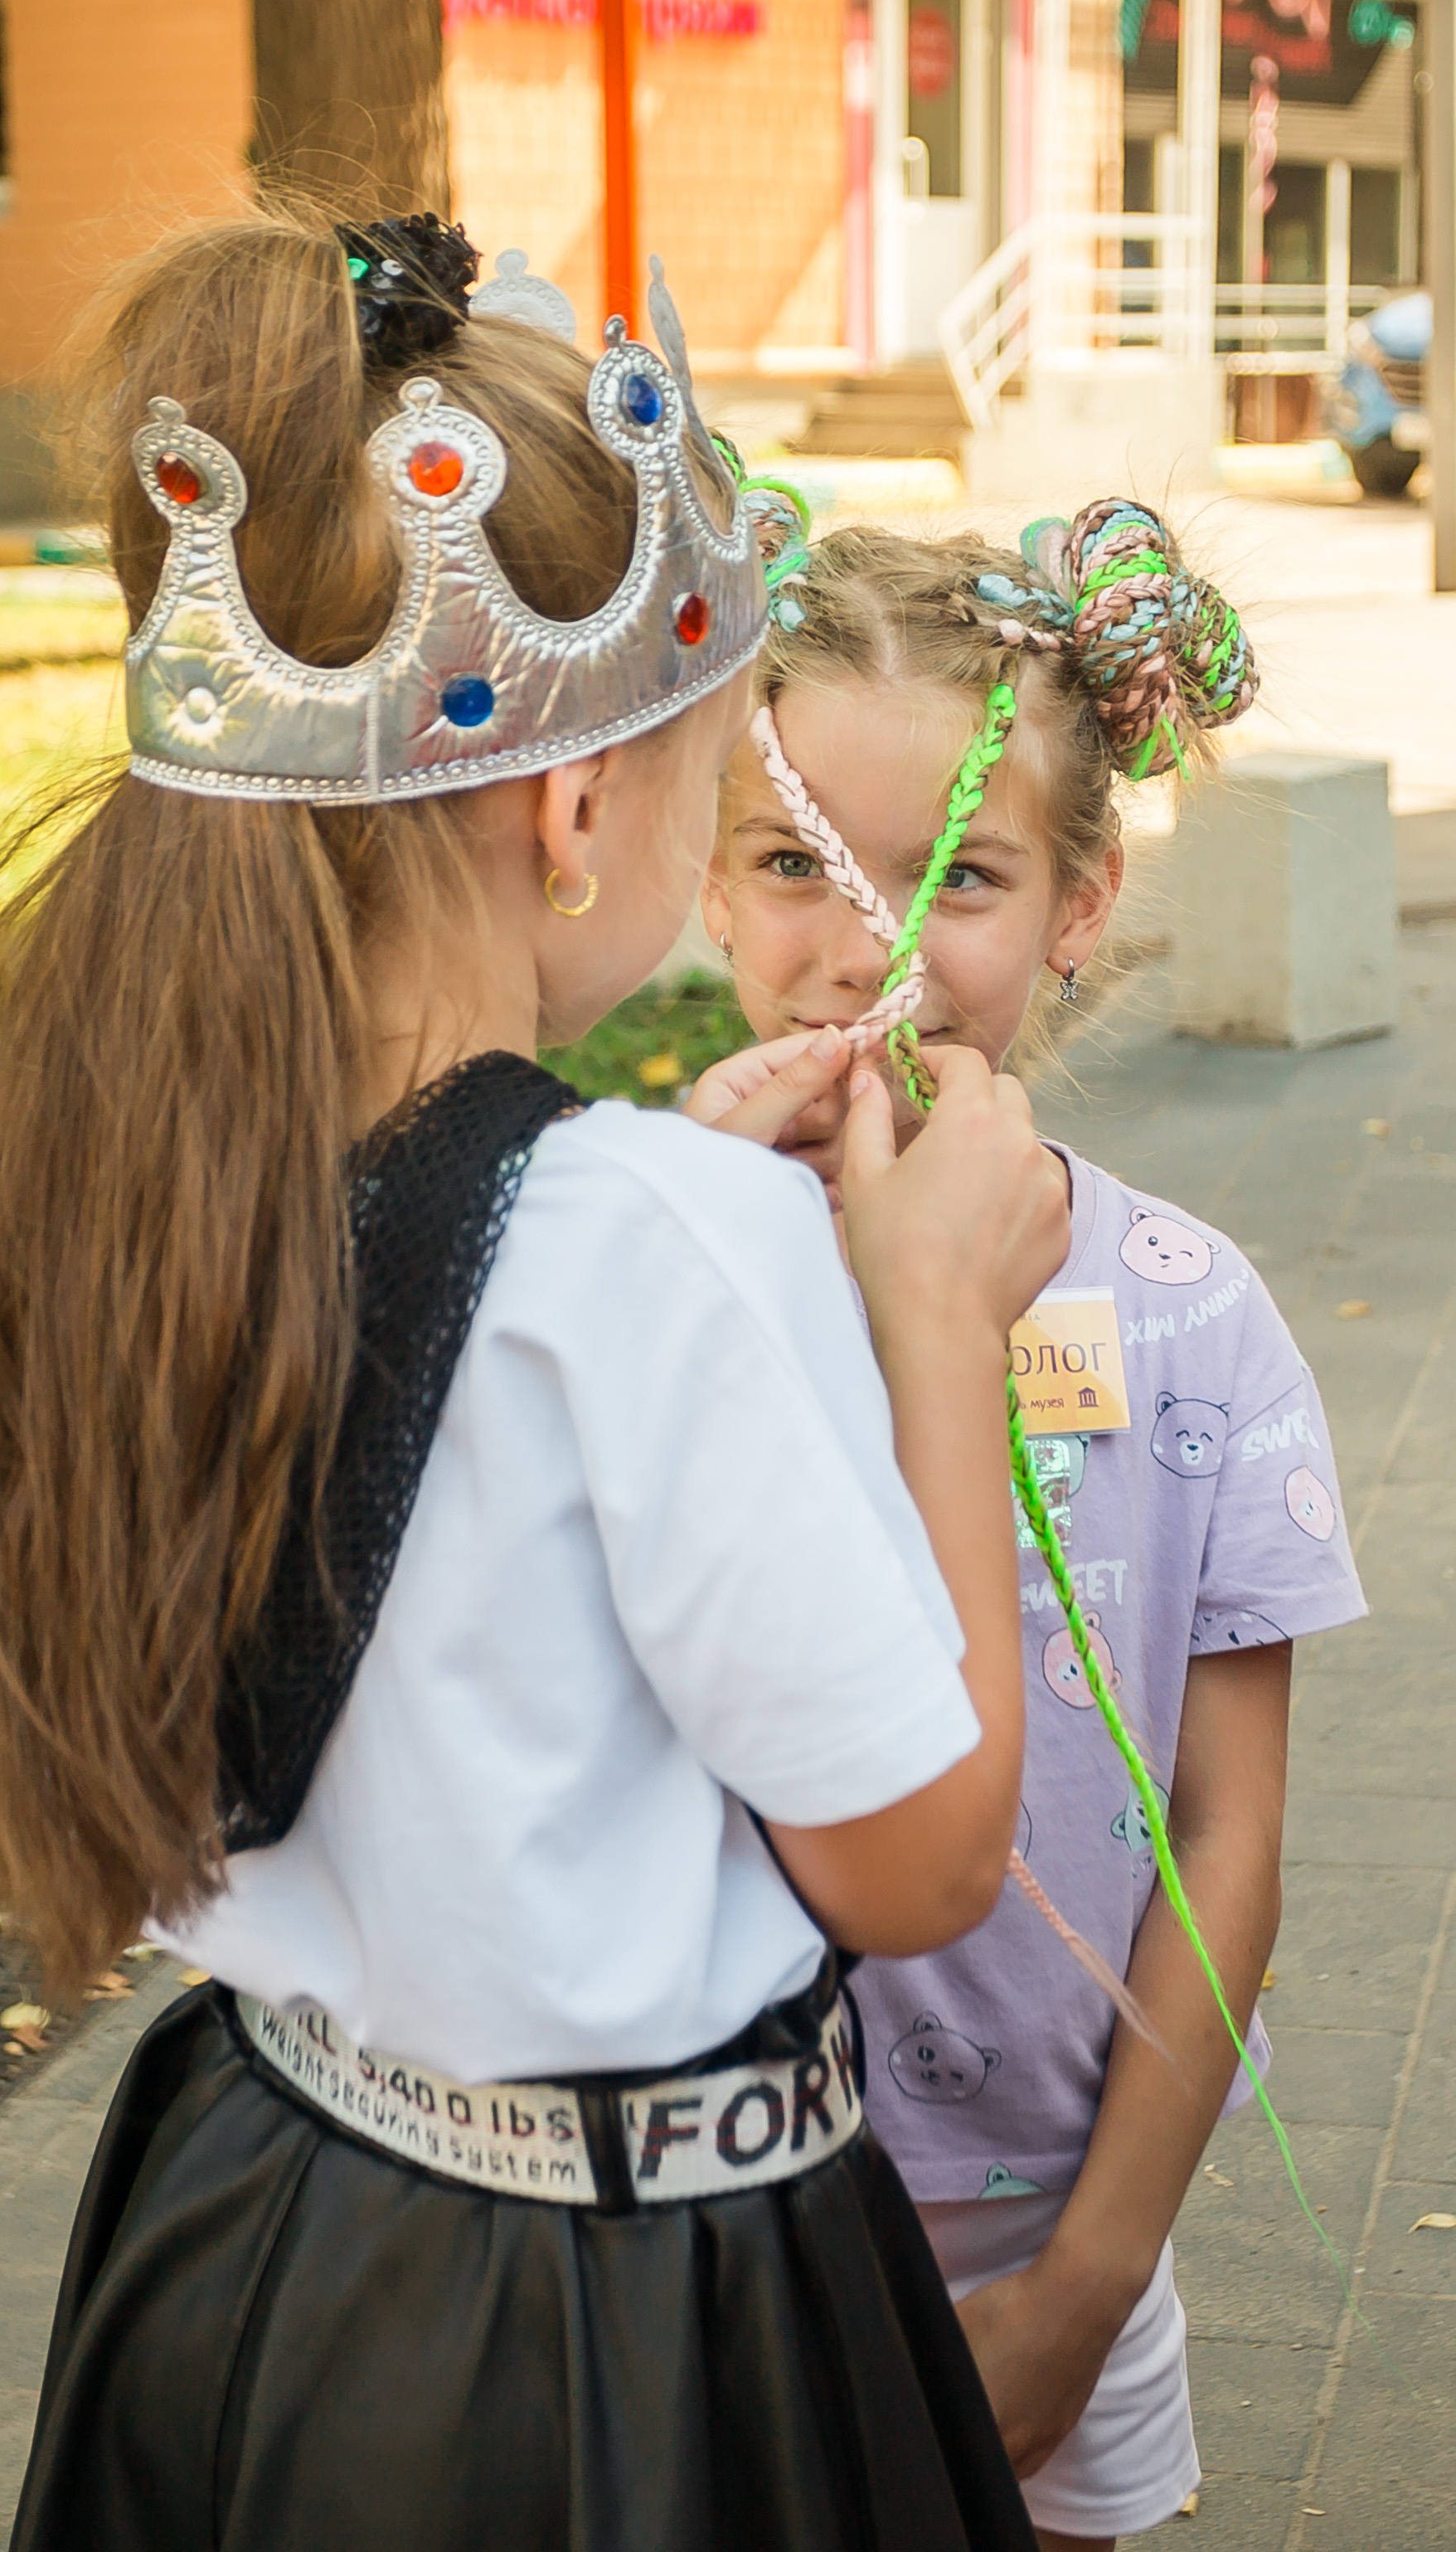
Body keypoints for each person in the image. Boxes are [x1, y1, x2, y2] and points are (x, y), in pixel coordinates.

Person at [0, 209, 1073, 2550]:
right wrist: (927, 1321)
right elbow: (919, 1858)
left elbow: (463, 1355)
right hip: (615, 2350)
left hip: (257, 2230)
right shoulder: (655, 1241)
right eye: (732, 773)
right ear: (570, 811)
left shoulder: (150, 1147)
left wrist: (674, 1230)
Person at [699, 507, 1367, 2552]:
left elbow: (1227, 1832)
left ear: (1080, 909)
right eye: (797, 860)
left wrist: (1090, 2282)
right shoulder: (654, 1274)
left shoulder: (1193, 1317)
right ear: (703, 880)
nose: (870, 947)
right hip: (713, 2228)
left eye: (958, 877)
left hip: (1059, 2229)